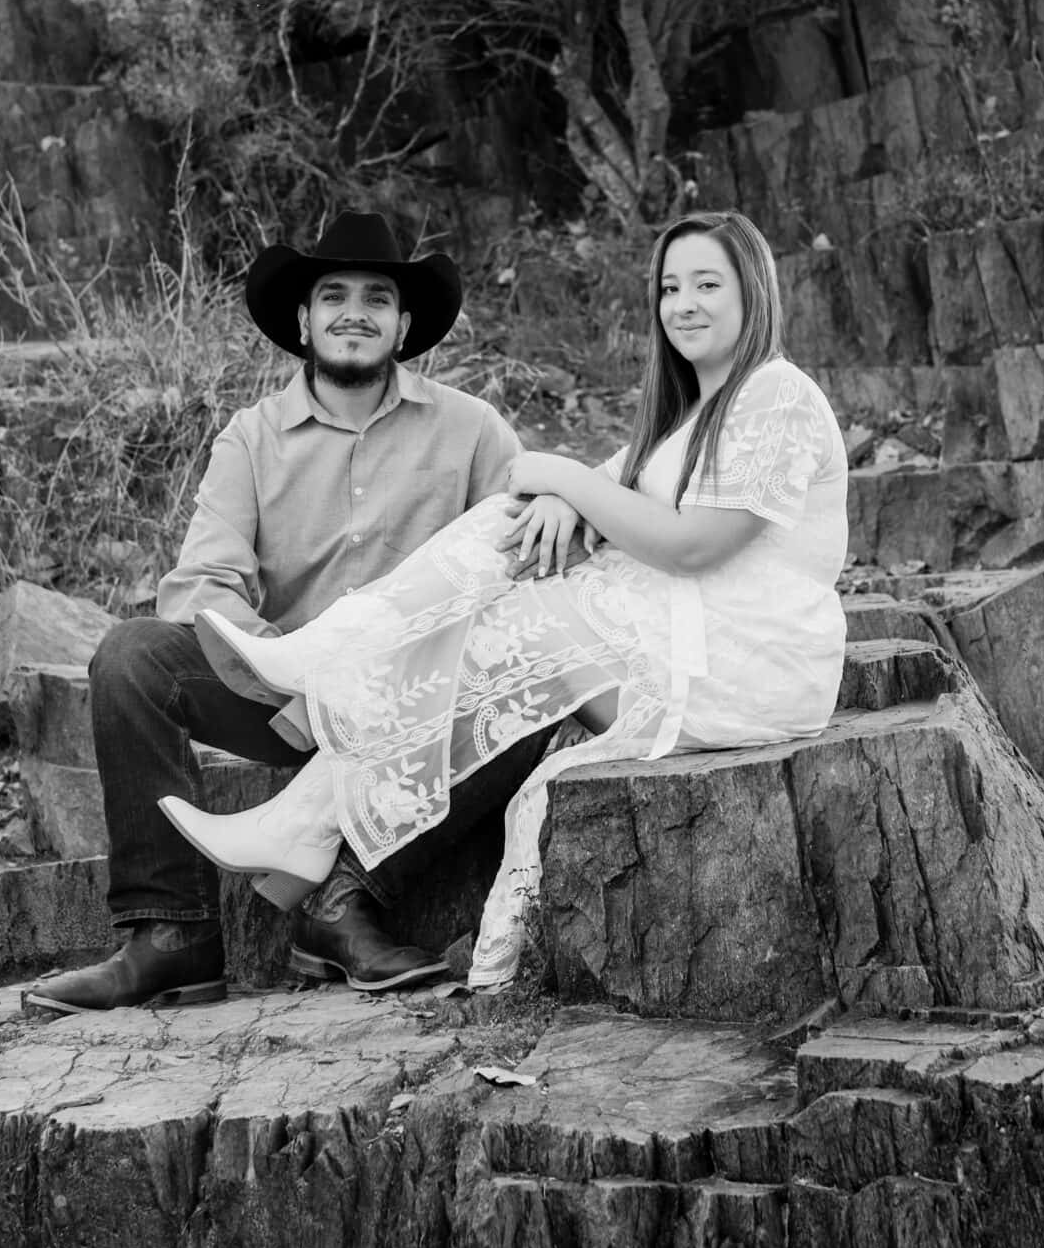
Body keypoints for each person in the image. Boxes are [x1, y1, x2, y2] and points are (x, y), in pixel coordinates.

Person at [163, 209, 850, 991]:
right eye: (669, 286)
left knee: (513, 617)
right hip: (681, 645)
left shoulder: (778, 397)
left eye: (706, 284)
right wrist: (562, 494)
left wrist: (564, 482)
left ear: (752, 292)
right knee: (506, 545)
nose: (683, 303)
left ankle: (323, 709)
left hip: (746, 669)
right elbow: (583, 488)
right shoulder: (686, 416)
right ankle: (310, 786)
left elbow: (691, 543)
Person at [22, 210, 549, 1014]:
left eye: (378, 297)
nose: (354, 312)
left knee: (541, 675)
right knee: (130, 656)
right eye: (332, 294)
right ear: (303, 319)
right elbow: (200, 585)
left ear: (405, 323)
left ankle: (342, 904)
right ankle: (171, 938)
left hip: (426, 705)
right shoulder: (252, 438)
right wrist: (299, 673)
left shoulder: (472, 430)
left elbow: (523, 561)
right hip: (289, 704)